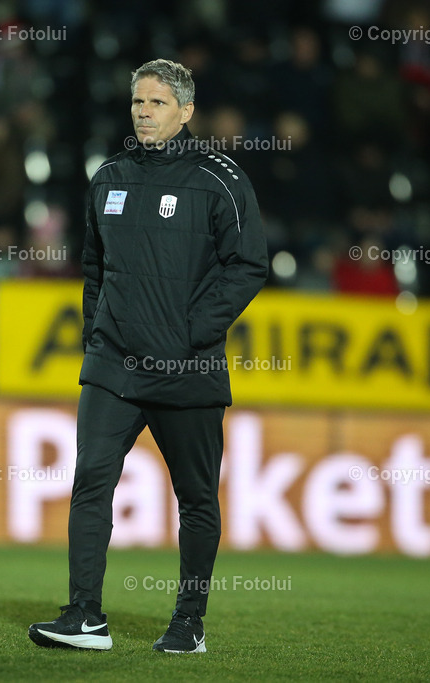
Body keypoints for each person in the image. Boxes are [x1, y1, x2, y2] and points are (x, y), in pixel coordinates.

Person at [28, 59, 267, 653]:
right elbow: (93, 268)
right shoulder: (108, 175)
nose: (143, 111)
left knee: (196, 498)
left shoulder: (220, 179)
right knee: (90, 483)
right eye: (138, 102)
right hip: (114, 365)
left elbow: (248, 265)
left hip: (187, 365)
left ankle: (188, 624)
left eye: (157, 103)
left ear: (186, 112)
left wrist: (191, 331)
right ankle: (85, 615)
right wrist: (97, 335)